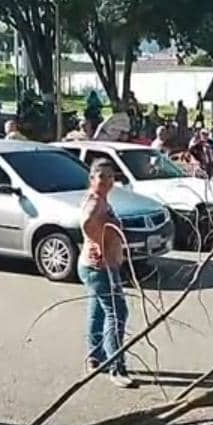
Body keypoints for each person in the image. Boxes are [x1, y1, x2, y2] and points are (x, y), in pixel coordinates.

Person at [78, 159, 134, 388]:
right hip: (100, 268)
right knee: (117, 313)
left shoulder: (99, 199)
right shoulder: (94, 202)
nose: (107, 181)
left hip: (94, 266)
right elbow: (87, 222)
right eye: (101, 176)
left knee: (98, 311)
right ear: (92, 178)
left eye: (110, 176)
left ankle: (95, 357)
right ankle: (116, 367)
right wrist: (99, 244)